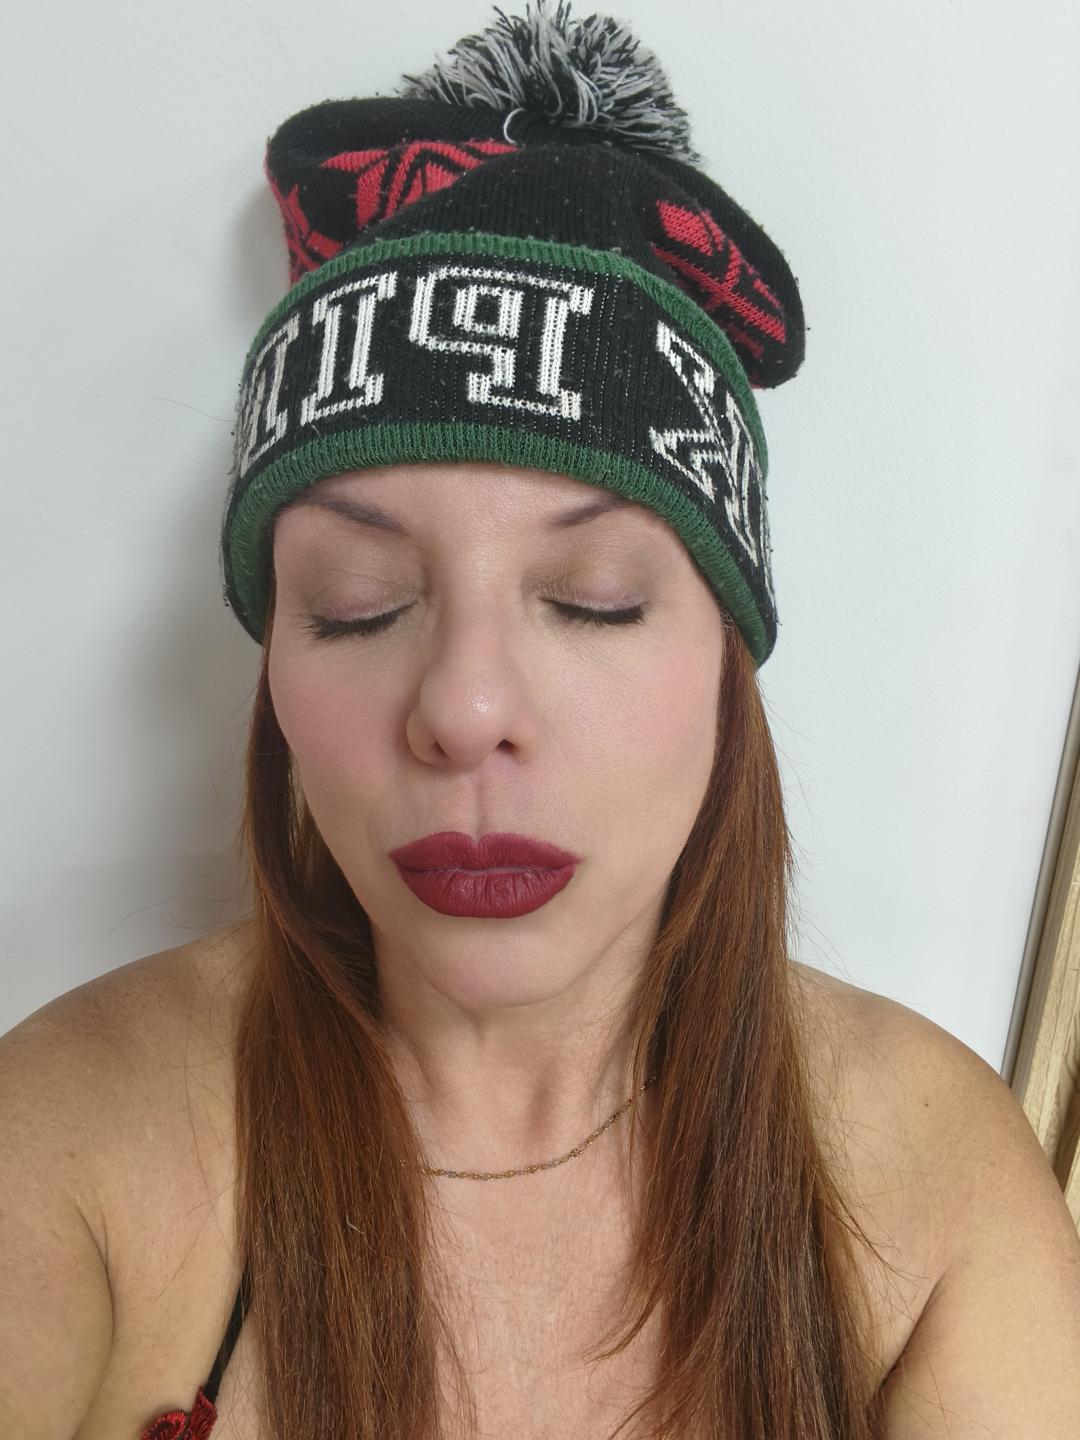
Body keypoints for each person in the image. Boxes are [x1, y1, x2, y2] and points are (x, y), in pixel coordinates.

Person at [4, 3, 1080, 1438]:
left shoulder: (932, 1190)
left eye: (594, 601)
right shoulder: (71, 1144)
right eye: (359, 606)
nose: (464, 711)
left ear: (726, 663)